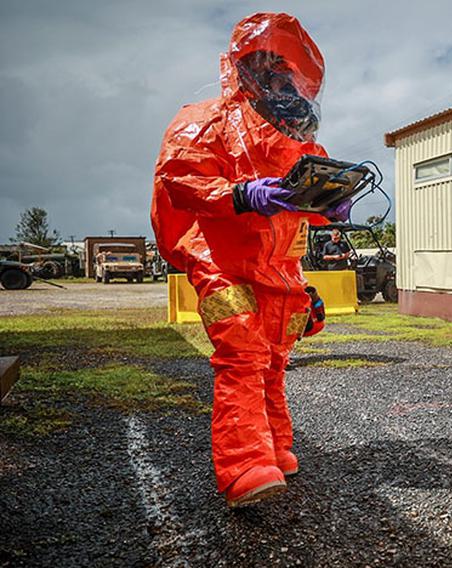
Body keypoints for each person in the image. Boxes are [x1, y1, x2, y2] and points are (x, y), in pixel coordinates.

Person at [151, 12, 351, 507]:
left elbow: (299, 203)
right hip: (219, 261)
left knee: (275, 362)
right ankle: (244, 465)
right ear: (245, 68)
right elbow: (180, 179)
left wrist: (331, 205)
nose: (282, 80)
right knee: (242, 355)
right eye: (270, 68)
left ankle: (276, 450)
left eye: (288, 71)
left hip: (280, 270)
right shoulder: (204, 120)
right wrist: (242, 195)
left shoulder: (297, 134)